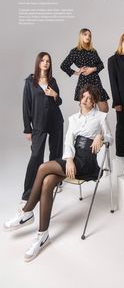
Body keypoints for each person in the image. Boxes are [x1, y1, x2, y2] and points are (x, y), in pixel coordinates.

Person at [4, 85, 113, 262]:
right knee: (47, 182)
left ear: (94, 101)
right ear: (80, 98)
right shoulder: (74, 118)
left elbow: (110, 138)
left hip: (87, 163)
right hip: (73, 161)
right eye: (84, 97)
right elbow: (68, 141)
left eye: (90, 98)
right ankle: (42, 235)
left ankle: (27, 211)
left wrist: (101, 137)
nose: (86, 100)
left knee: (42, 168)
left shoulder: (101, 116)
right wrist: (68, 159)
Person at [22, 52, 64, 202]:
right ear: (38, 63)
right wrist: (28, 128)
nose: (45, 63)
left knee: (56, 153)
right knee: (36, 156)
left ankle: (56, 182)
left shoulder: (52, 81)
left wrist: (55, 95)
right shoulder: (30, 82)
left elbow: (59, 102)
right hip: (39, 124)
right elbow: (26, 106)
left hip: (55, 121)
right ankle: (28, 192)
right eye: (43, 60)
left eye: (48, 61)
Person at [60, 28, 109, 112]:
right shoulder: (75, 51)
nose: (88, 37)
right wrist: (77, 72)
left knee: (104, 109)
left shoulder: (93, 51)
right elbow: (64, 66)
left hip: (96, 80)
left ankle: (99, 124)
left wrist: (93, 69)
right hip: (84, 82)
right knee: (88, 110)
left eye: (90, 35)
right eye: (85, 34)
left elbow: (101, 65)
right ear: (81, 36)